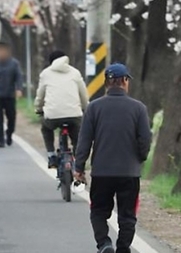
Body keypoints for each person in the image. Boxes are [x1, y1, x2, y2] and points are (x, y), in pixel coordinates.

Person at [74, 63, 152, 253]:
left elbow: (84, 141)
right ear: (125, 81)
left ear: (106, 83)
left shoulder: (94, 108)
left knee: (99, 211)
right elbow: (145, 139)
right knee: (127, 215)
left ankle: (104, 244)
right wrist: (140, 158)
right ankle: (123, 249)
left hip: (102, 172)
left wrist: (79, 168)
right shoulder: (139, 108)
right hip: (129, 172)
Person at [34, 48, 89, 168]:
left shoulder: (45, 73)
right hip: (74, 115)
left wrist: (38, 108)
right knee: (77, 137)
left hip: (52, 116)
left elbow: (40, 95)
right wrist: (86, 108)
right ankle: (79, 163)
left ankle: (51, 155)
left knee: (46, 128)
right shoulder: (75, 72)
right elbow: (83, 94)